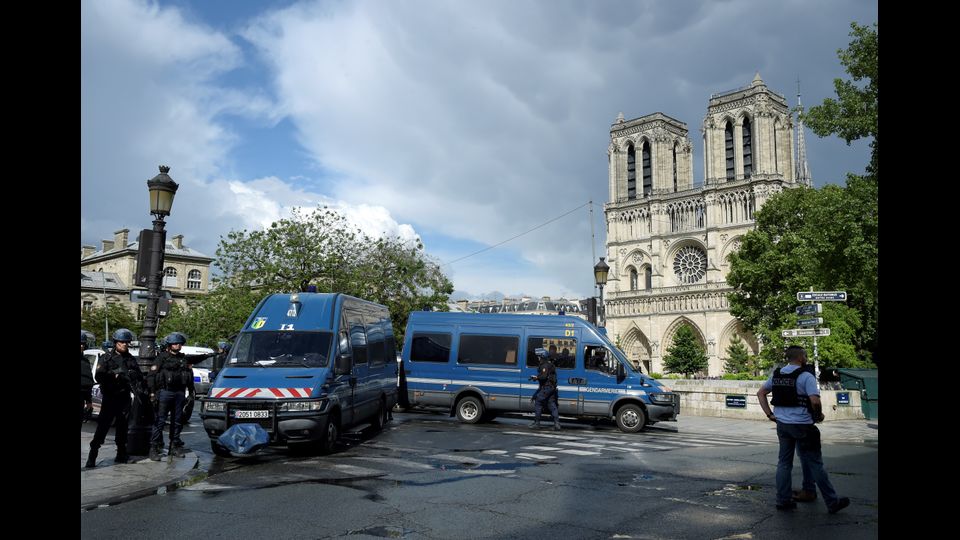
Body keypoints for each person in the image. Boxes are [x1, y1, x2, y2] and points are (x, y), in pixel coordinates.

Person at [757, 346, 850, 513]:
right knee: (815, 463)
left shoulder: (777, 375)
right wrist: (819, 415)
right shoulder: (806, 376)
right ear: (800, 358)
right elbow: (814, 401)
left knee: (784, 463)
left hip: (782, 425)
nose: (806, 358)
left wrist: (770, 415)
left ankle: (783, 500)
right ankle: (832, 501)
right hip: (803, 425)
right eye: (805, 355)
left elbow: (761, 393)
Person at [86, 328, 143, 468]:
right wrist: (114, 375)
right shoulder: (107, 358)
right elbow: (98, 376)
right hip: (110, 397)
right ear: (115, 343)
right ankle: (92, 456)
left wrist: (133, 377)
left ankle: (121, 454)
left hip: (124, 397)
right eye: (121, 342)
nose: (124, 345)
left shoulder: (130, 359)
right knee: (102, 428)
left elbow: (139, 375)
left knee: (122, 428)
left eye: (126, 342)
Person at [147, 332, 194, 461]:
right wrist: (152, 392)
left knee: (177, 421)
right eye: (174, 343)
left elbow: (189, 376)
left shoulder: (183, 359)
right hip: (165, 392)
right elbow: (151, 376)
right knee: (160, 421)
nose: (177, 345)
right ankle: (154, 448)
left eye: (179, 343)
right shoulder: (162, 358)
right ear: (169, 345)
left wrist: (191, 392)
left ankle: (174, 446)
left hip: (179, 392)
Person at [529, 348, 561, 430]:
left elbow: (543, 376)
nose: (538, 358)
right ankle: (557, 424)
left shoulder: (545, 365)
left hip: (547, 387)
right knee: (552, 404)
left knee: (538, 402)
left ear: (542, 356)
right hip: (552, 388)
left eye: (539, 357)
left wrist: (536, 377)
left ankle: (537, 423)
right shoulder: (550, 364)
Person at [81, 331, 95, 424]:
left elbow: (87, 382)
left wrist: (89, 401)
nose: (81, 346)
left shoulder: (85, 361)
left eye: (83, 344)